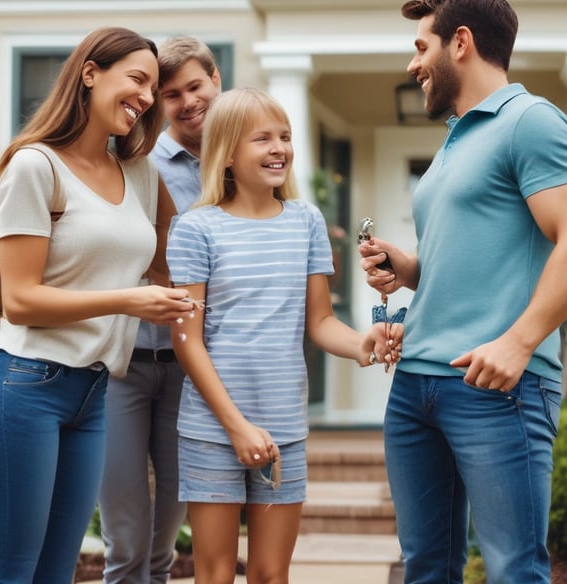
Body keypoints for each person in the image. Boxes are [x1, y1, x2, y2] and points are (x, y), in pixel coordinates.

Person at [358, 1, 567, 582]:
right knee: (425, 568)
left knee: (514, 570)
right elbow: (472, 260)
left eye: (422, 47)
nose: (413, 64)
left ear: (461, 42)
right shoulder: (453, 141)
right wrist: (408, 269)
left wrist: (518, 343)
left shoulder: (531, 121)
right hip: (415, 384)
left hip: (495, 389)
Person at [0, 27, 197, 583]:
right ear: (90, 73)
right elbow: (20, 300)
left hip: (92, 392)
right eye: (136, 79)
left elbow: (177, 262)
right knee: (11, 572)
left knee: (56, 573)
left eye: (153, 88)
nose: (146, 97)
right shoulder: (35, 165)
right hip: (24, 384)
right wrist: (128, 300)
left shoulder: (140, 173)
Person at [167, 87, 402, 584]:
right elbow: (188, 341)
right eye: (262, 138)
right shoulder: (195, 228)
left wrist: (362, 344)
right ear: (227, 152)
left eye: (285, 137)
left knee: (272, 575)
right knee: (215, 574)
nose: (279, 148)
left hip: (285, 428)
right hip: (212, 429)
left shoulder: (306, 221)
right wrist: (236, 427)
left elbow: (320, 322)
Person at [98, 36, 222, 584]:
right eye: (171, 95)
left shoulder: (243, 162)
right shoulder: (135, 162)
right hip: (123, 363)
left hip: (190, 371)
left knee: (165, 543)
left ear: (216, 80)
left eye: (195, 87)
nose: (187, 102)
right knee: (125, 541)